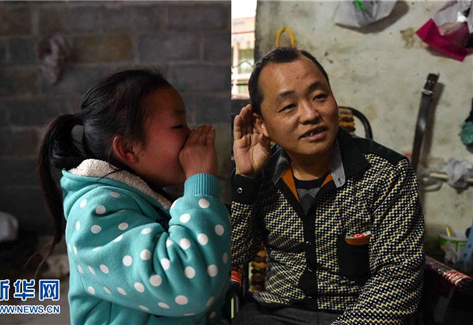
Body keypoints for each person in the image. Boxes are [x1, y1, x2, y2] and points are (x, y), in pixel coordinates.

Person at [231, 47, 425, 324]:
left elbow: (398, 276)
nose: (310, 114)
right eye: (288, 106)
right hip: (276, 314)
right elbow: (234, 256)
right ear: (262, 125)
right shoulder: (260, 177)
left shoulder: (386, 173)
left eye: (319, 96)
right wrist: (245, 179)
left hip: (358, 314)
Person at [37, 69, 231, 324]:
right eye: (177, 125)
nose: (190, 134)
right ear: (128, 148)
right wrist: (200, 187)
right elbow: (190, 285)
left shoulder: (143, 194)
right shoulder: (95, 214)